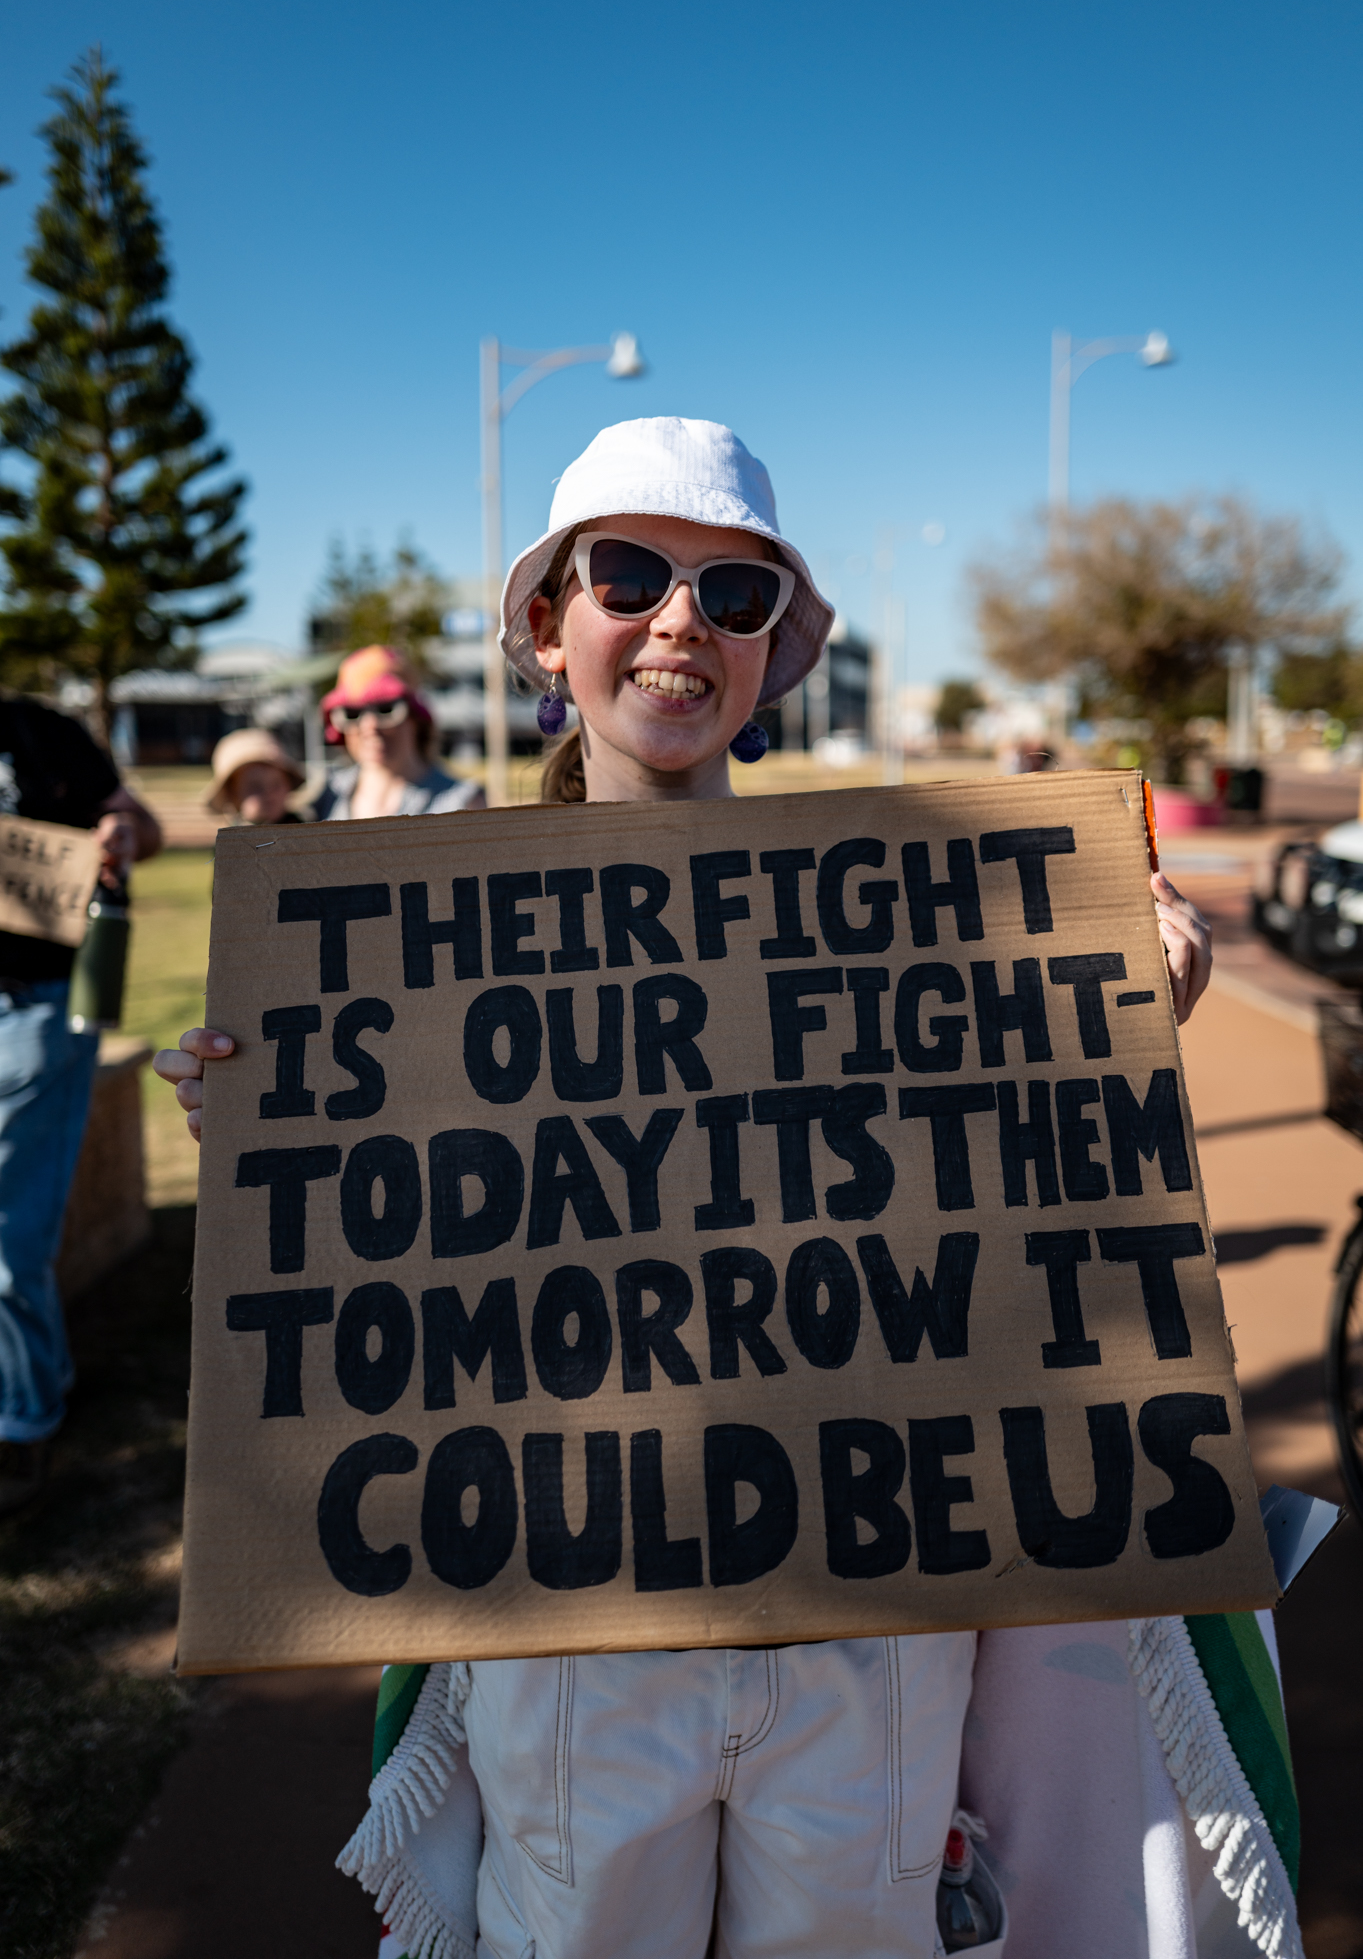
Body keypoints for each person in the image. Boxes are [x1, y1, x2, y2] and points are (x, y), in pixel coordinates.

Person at [154, 420, 1295, 1959]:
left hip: (865, 1629)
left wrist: (1111, 1008)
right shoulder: (411, 943)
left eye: (732, 594)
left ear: (770, 658)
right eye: (628, 575)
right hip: (574, 1624)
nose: (679, 619)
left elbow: (1013, 1228)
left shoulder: (920, 927)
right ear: (550, 632)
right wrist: (271, 1107)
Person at [0, 691, 161, 1514]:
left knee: (5, 1237)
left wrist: (122, 836)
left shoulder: (43, 731)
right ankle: (42, 1375)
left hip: (38, 1006)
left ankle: (24, 1428)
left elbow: (143, 825)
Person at [313, 644, 484, 820]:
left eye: (386, 709)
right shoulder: (325, 795)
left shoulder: (462, 802)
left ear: (415, 718)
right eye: (352, 713)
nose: (370, 726)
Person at [204, 727, 307, 826]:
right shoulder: (234, 840)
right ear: (232, 794)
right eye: (255, 787)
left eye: (276, 784)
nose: (268, 793)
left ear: (288, 785)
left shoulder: (306, 830)